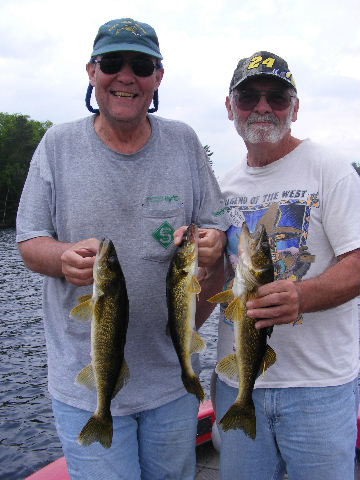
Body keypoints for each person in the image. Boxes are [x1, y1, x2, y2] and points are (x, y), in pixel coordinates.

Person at [16, 18, 228, 480]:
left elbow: (217, 228)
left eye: (141, 65)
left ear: (158, 76)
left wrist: (212, 242)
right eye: (112, 63)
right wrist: (61, 257)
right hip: (83, 382)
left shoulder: (185, 142)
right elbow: (30, 242)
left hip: (174, 380)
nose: (126, 76)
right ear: (92, 71)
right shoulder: (58, 145)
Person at [196, 51, 360, 480]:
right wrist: (203, 263)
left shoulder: (330, 169)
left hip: (319, 388)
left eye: (277, 97)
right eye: (249, 96)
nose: (263, 107)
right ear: (230, 107)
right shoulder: (222, 187)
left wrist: (301, 296)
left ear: (295, 108)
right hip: (237, 385)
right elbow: (213, 289)